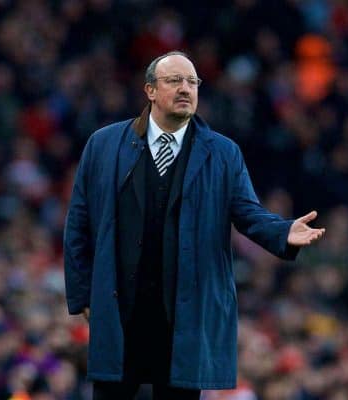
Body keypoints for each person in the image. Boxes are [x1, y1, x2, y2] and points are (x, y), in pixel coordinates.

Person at [63, 51, 325, 400]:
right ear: (150, 91)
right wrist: (82, 294)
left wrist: (282, 231)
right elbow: (78, 223)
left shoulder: (223, 152)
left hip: (184, 315)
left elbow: (247, 212)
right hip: (121, 309)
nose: (186, 88)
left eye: (192, 82)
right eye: (174, 81)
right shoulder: (104, 144)